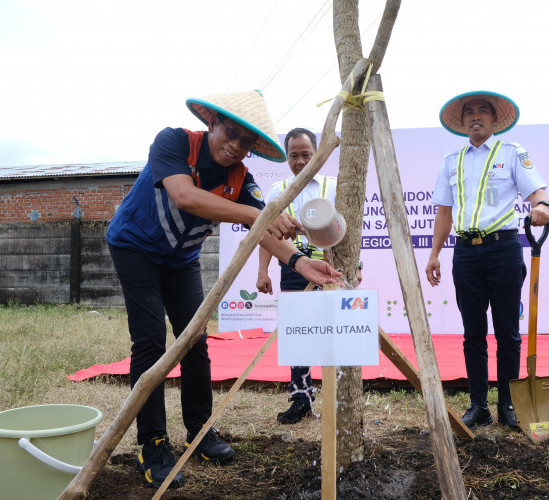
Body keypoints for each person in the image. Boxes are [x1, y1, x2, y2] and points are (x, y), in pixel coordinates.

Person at [106, 91, 341, 489]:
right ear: (211, 122)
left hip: (180, 260)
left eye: (245, 143)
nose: (235, 147)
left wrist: (300, 262)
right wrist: (257, 213)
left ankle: (199, 432)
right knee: (149, 341)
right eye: (230, 134)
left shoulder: (241, 180)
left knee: (195, 339)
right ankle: (153, 444)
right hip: (135, 247)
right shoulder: (174, 142)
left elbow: (263, 230)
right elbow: (184, 195)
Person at [425, 91, 549, 431]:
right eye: (470, 112)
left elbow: (537, 191)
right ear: (462, 121)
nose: (476, 116)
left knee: (508, 332)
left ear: (495, 120)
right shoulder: (452, 160)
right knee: (472, 333)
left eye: (483, 111)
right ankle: (478, 404)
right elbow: (444, 212)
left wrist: (543, 206)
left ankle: (508, 405)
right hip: (466, 252)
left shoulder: (511, 153)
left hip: (503, 250)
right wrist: (435, 253)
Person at [256, 127, 362, 424]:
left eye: (306, 155)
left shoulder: (334, 186)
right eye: (294, 156)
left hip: (333, 268)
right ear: (286, 158)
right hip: (294, 268)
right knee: (297, 335)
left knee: (338, 332)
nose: (300, 162)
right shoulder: (279, 191)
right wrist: (262, 270)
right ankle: (301, 397)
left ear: (318, 154)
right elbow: (268, 233)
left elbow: (348, 230)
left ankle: (342, 396)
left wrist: (357, 265)